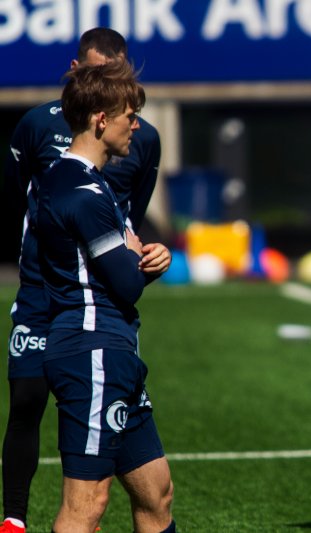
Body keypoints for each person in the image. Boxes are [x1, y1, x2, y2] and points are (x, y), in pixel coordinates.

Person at [1, 28, 161, 533]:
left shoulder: (93, 185)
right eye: (129, 117)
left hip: (116, 346)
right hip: (91, 348)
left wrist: (137, 252)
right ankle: (13, 515)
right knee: (86, 504)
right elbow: (127, 284)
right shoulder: (81, 191)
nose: (136, 126)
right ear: (100, 119)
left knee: (157, 493)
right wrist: (142, 262)